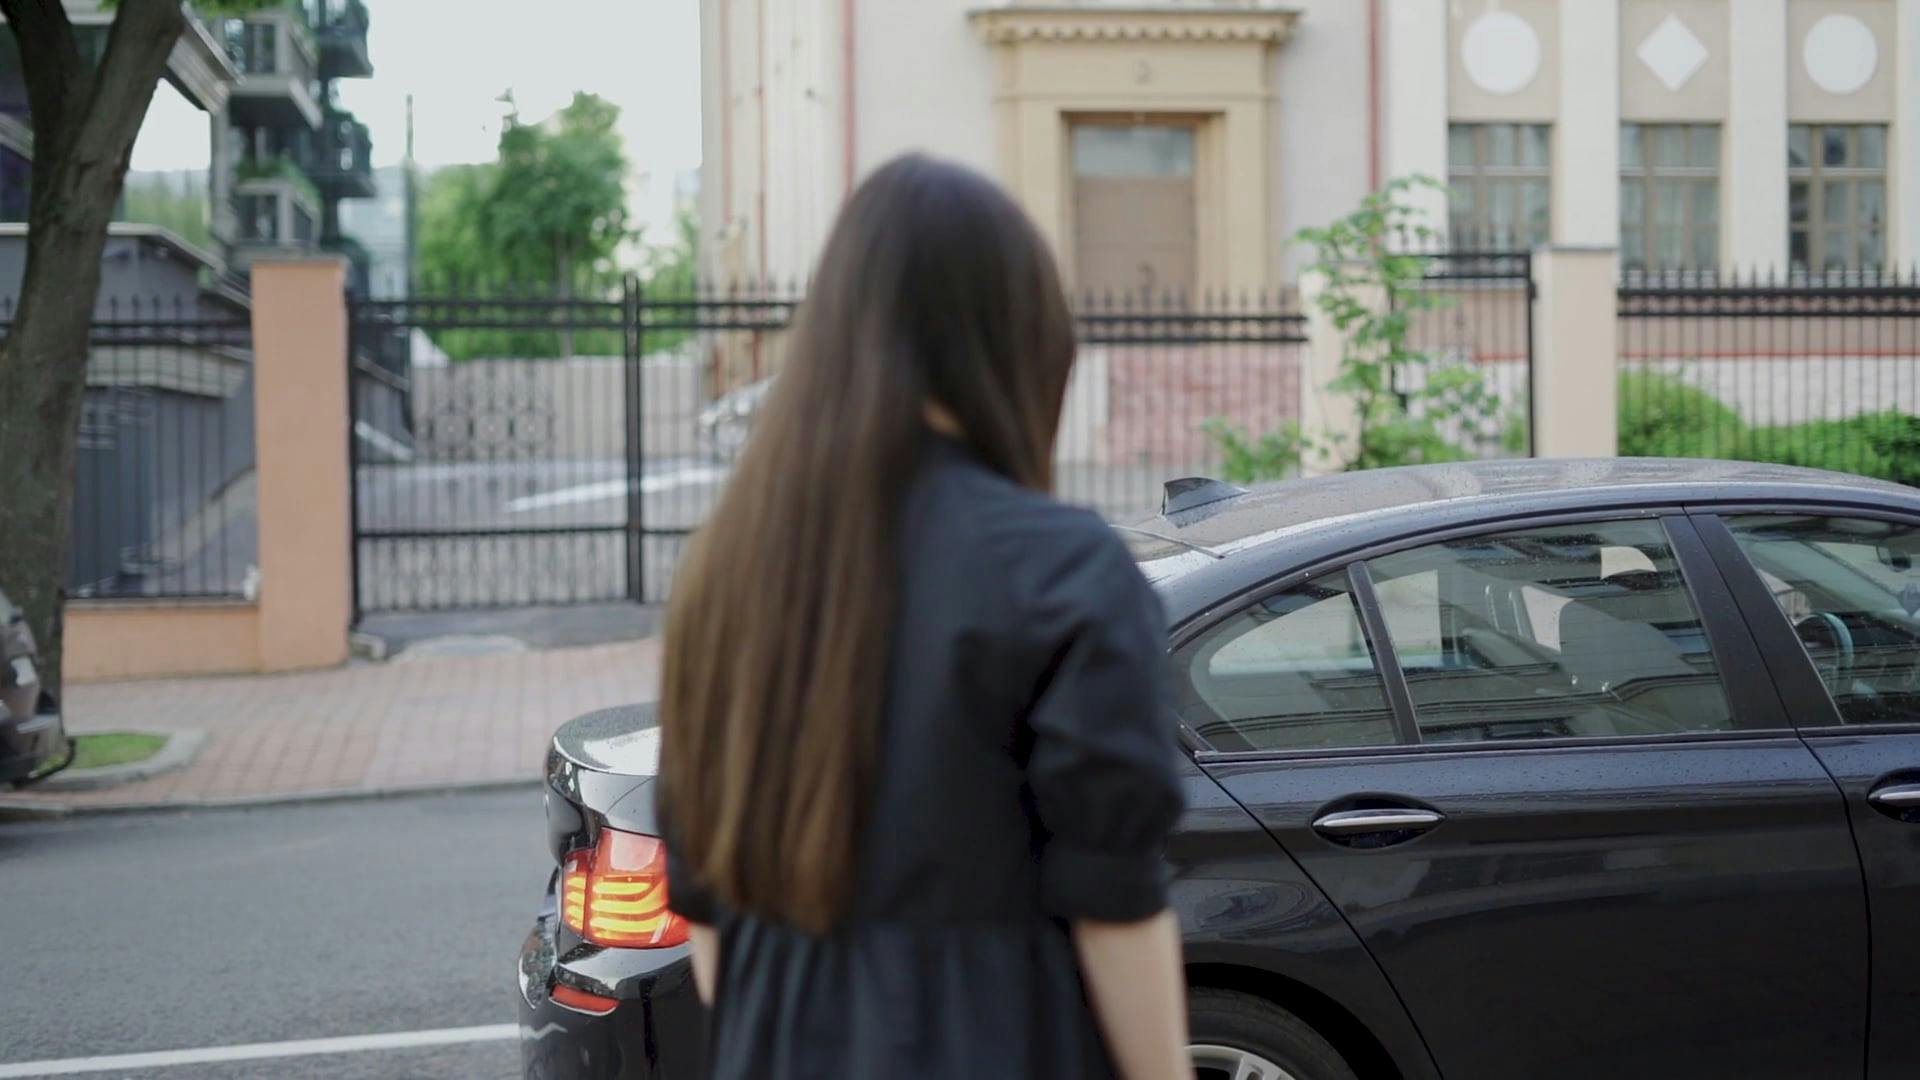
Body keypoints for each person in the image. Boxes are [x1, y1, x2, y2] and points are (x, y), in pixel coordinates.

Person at [656, 153, 1188, 1079]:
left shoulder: (725, 570)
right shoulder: (1062, 567)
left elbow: (708, 924)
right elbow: (1116, 909)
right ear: (1016, 339)